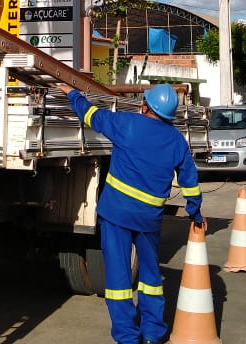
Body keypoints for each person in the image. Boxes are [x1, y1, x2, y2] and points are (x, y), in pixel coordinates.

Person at [64, 83, 204, 344]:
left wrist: (71, 93)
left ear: (145, 107)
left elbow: (90, 114)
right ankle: (153, 333)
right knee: (151, 277)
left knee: (118, 279)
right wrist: (196, 213)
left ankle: (127, 337)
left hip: (115, 216)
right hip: (149, 219)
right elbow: (190, 181)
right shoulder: (176, 141)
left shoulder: (126, 124)